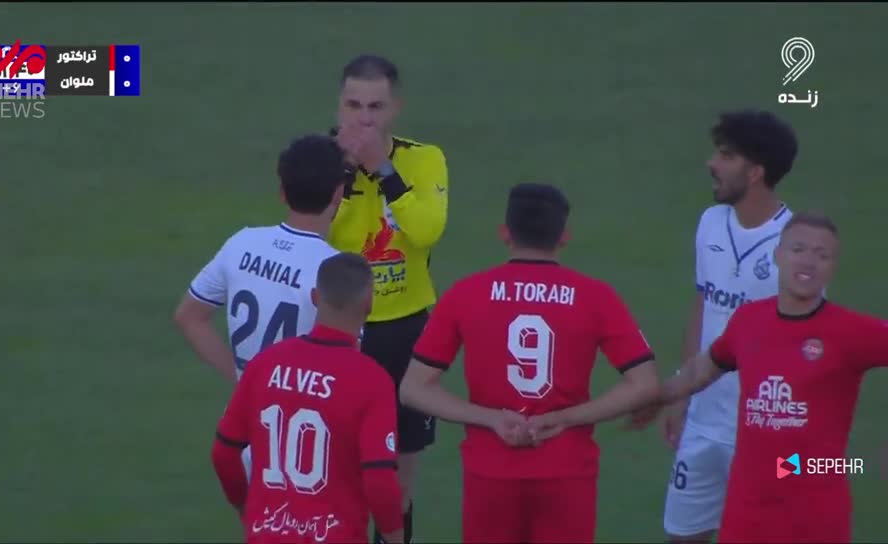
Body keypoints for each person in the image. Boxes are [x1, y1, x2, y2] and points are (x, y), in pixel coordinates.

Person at [399, 183, 661, 543]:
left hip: (489, 473)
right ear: (563, 237)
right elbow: (645, 384)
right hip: (567, 473)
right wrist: (565, 418)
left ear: (505, 233)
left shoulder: (465, 293)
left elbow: (413, 388)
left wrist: (490, 418)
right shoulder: (596, 297)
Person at [640, 212, 887, 543]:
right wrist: (654, 395)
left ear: (832, 267)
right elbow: (702, 370)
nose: (809, 261)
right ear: (777, 255)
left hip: (815, 516)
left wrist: (843, 464)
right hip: (746, 515)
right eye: (799, 249)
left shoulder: (850, 331)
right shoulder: (749, 321)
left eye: (822, 255)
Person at [328, 54, 449, 543]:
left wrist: (383, 170)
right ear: (339, 106)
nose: (364, 118)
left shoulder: (424, 158)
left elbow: (426, 231)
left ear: (395, 108)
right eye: (354, 105)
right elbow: (311, 237)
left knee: (397, 483)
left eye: (375, 107)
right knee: (335, 472)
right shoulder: (319, 161)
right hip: (340, 333)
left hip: (406, 333)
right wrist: (343, 175)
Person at [661, 110, 798, 543]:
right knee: (683, 536)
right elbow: (703, 307)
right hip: (702, 423)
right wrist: (681, 394)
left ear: (755, 172)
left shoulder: (795, 244)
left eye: (725, 155)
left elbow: (804, 343)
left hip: (761, 432)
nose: (711, 164)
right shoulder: (710, 223)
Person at [174, 134, 346, 477]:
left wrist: (244, 380)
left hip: (249, 433)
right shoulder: (337, 272)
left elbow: (189, 317)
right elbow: (350, 366)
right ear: (338, 194)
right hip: (309, 446)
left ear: (282, 192)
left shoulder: (242, 244)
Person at [211, 252, 404, 544]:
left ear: (315, 297)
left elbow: (224, 453)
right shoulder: (372, 380)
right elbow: (380, 480)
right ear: (369, 304)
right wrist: (395, 537)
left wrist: (244, 507)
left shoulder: (265, 364)